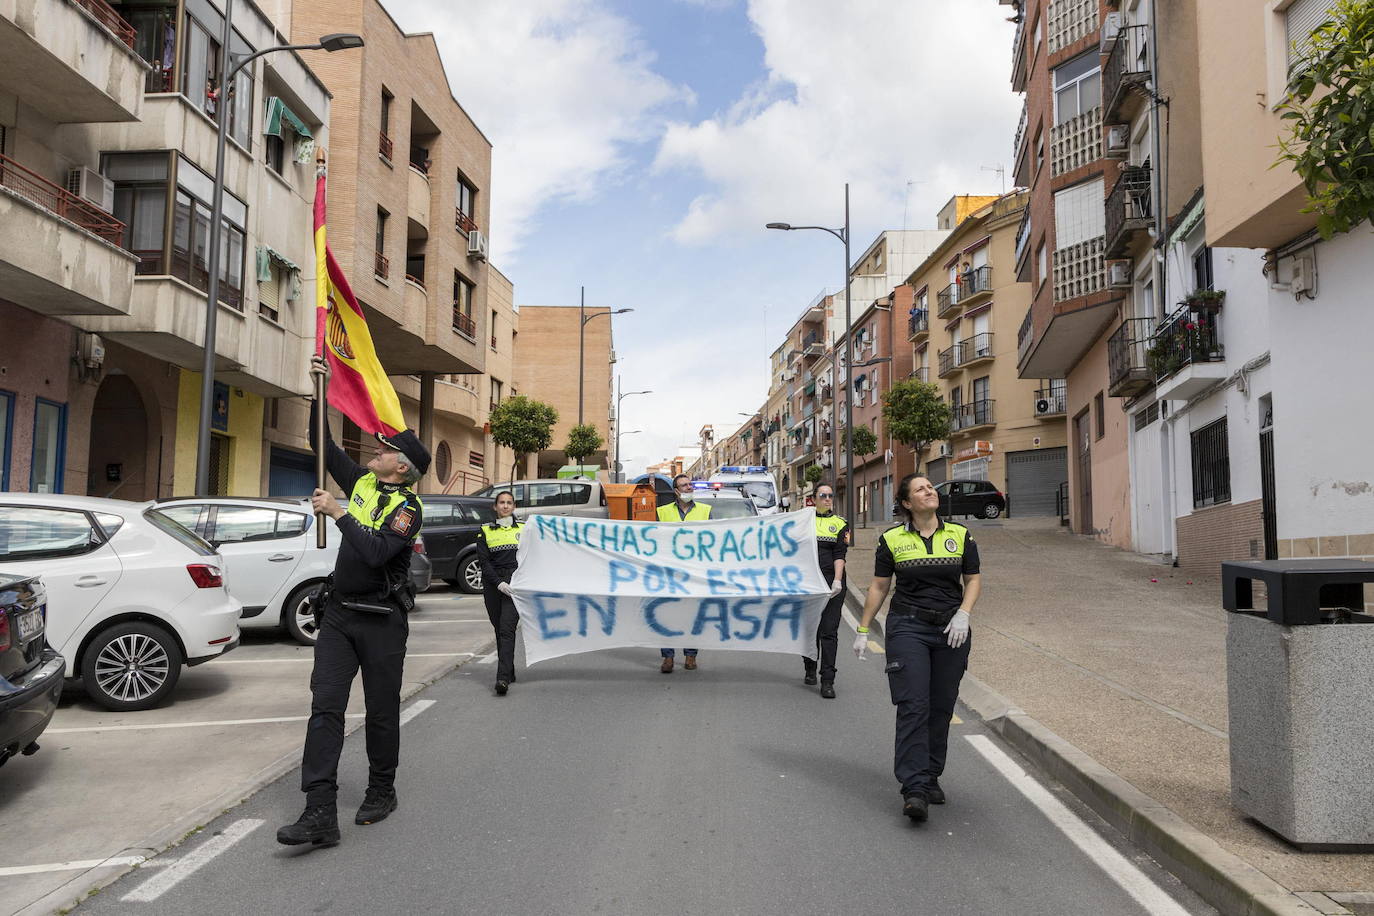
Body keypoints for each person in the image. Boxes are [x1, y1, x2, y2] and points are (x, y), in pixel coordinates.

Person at [277, 356, 430, 848]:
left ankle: (382, 790)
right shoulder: (362, 481)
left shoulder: (409, 509)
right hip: (341, 615)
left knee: (381, 712)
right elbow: (320, 444)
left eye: (386, 449)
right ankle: (319, 810)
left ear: (401, 467)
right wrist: (317, 387)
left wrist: (338, 513)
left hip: (382, 620)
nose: (376, 449)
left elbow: (378, 551)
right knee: (325, 707)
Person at [853, 473, 980, 824]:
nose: (929, 491)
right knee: (914, 705)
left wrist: (964, 614)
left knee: (941, 705)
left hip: (951, 629)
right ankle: (914, 788)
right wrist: (863, 629)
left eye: (930, 487)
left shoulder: (960, 535)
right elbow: (880, 586)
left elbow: (972, 579)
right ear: (907, 503)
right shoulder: (892, 539)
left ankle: (931, 775)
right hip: (908, 626)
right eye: (921, 489)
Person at [656, 473, 710, 673]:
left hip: (695, 571)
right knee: (667, 614)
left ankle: (690, 655)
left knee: (692, 615)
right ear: (676, 491)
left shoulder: (705, 511)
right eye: (684, 485)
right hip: (669, 572)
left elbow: (714, 537)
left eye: (690, 484)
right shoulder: (662, 512)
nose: (689, 488)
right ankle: (668, 657)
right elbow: (654, 539)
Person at [802, 484, 848, 698]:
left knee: (829, 631)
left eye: (831, 495)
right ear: (814, 499)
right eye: (823, 495)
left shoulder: (840, 523)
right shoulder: (803, 521)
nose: (828, 499)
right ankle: (810, 667)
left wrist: (837, 580)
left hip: (832, 584)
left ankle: (828, 680)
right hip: (808, 584)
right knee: (810, 629)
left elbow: (840, 554)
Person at [476, 490, 523, 695]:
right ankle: (509, 671)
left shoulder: (524, 528)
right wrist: (498, 583)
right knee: (499, 628)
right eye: (501, 502)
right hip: (493, 584)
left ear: (514, 506)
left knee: (506, 629)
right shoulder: (485, 530)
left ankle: (502, 679)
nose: (505, 506)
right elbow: (484, 562)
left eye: (509, 502)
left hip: (515, 584)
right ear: (495, 507)